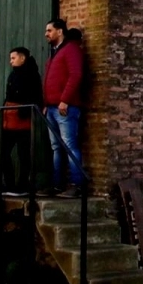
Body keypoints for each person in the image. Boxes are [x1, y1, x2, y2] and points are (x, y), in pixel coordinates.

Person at [43, 19, 86, 197]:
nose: (46, 34)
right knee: (57, 147)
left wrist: (65, 100)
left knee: (69, 145)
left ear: (60, 31)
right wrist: (46, 104)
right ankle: (57, 184)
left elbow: (76, 75)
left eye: (49, 30)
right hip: (51, 108)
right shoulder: (55, 53)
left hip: (65, 108)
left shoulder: (71, 49)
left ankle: (78, 185)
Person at [0, 47, 43, 197]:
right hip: (9, 117)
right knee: (3, 152)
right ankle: (9, 184)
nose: (11, 61)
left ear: (22, 58)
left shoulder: (31, 74)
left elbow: (36, 95)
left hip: (22, 118)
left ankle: (22, 185)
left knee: (23, 154)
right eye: (10, 58)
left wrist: (24, 110)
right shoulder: (13, 74)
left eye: (13, 58)